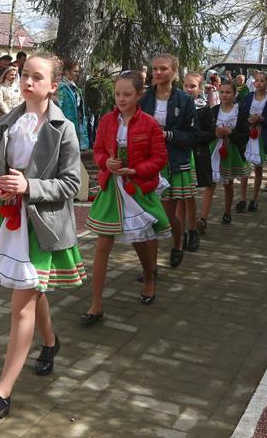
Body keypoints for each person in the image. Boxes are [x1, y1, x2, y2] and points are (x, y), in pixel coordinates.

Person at [0, 53, 86, 424]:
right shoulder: (6, 122)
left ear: (53, 86)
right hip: (10, 220)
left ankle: (2, 393)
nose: (28, 82)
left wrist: (29, 186)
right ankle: (50, 342)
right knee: (30, 290)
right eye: (24, 76)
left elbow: (72, 184)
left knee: (22, 303)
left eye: (37, 77)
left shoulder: (63, 128)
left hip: (42, 225)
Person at [84, 71, 169, 320]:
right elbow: (98, 150)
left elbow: (159, 158)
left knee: (140, 240)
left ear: (139, 95)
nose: (121, 99)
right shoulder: (107, 121)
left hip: (137, 188)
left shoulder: (149, 124)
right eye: (118, 94)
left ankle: (150, 278)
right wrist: (105, 162)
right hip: (112, 188)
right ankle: (96, 305)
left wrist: (136, 170)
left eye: (127, 94)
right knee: (103, 244)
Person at [139, 53, 198, 269]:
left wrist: (168, 135)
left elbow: (193, 135)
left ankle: (178, 243)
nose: (158, 72)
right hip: (147, 163)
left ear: (174, 72)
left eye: (163, 68)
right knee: (148, 215)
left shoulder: (185, 100)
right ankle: (150, 268)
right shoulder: (144, 98)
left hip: (172, 162)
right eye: (155, 69)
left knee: (167, 214)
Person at [201, 82, 249, 226]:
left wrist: (230, 133)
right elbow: (207, 130)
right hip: (214, 149)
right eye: (222, 92)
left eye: (228, 92)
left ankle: (227, 212)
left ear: (234, 94)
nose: (224, 95)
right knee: (210, 183)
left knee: (228, 183)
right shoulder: (214, 110)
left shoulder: (239, 112)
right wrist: (215, 132)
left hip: (230, 150)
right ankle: (203, 219)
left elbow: (244, 136)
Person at [237, 71, 267, 212]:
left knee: (258, 168)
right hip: (248, 135)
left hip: (262, 136)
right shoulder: (249, 96)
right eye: (257, 80)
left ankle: (255, 199)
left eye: (262, 81)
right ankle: (243, 199)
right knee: (244, 168)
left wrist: (262, 119)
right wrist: (248, 119)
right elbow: (241, 114)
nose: (259, 83)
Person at [186, 72, 214, 241]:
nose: (189, 89)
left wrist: (194, 136)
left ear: (200, 88)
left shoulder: (204, 108)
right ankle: (184, 222)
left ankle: (199, 221)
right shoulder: (178, 104)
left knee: (196, 187)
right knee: (183, 188)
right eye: (186, 86)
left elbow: (211, 132)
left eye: (193, 86)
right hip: (181, 151)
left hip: (198, 152)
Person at [57, 59, 90, 150]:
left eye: (78, 71)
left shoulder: (75, 88)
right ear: (67, 71)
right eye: (75, 71)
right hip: (66, 127)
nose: (77, 74)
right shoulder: (61, 88)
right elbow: (58, 107)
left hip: (77, 126)